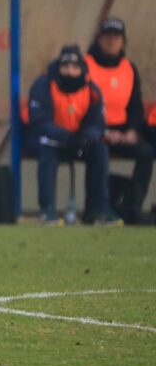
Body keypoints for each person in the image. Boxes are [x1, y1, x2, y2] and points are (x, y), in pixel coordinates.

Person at [28, 45, 121, 226]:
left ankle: (98, 210)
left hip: (79, 141)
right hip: (53, 141)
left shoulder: (92, 90)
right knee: (48, 153)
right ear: (58, 67)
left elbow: (98, 123)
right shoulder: (43, 85)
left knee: (100, 151)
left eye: (74, 67)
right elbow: (39, 122)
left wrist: (86, 137)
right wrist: (66, 136)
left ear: (81, 69)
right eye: (65, 66)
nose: (69, 72)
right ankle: (47, 210)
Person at [86, 17, 153, 224]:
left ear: (123, 42)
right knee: (99, 151)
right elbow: (81, 104)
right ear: (99, 39)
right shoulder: (86, 65)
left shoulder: (128, 68)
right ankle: (98, 208)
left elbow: (135, 105)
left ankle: (133, 207)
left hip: (122, 130)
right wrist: (103, 132)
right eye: (107, 37)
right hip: (94, 130)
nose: (111, 41)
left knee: (147, 152)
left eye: (116, 37)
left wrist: (132, 131)